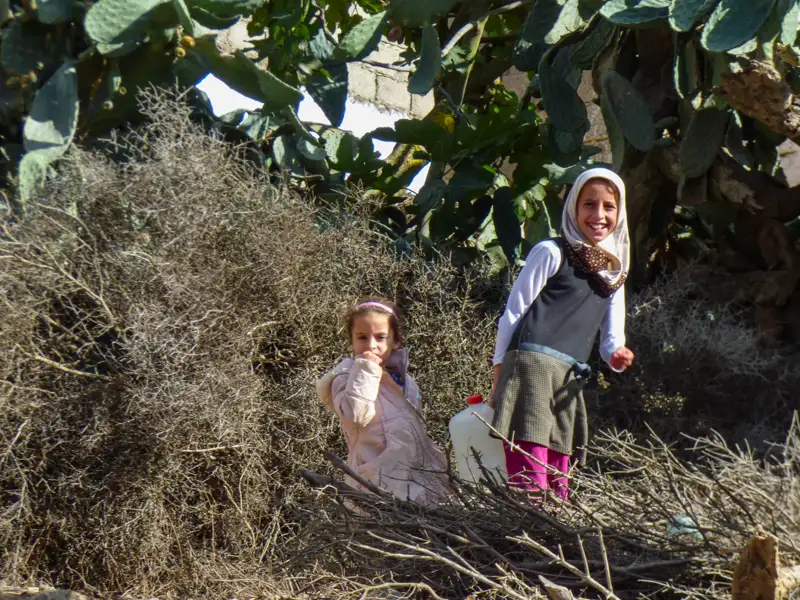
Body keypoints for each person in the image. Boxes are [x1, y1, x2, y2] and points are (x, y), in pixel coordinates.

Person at [489, 167, 635, 501]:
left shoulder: (613, 274)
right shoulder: (552, 252)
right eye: (589, 204)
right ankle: (528, 532)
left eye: (608, 206)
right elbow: (513, 313)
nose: (598, 215)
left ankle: (552, 537)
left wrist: (617, 355)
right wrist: (499, 370)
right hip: (530, 366)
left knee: (559, 467)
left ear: (620, 211)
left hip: (569, 377)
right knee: (531, 466)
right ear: (573, 207)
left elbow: (612, 336)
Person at [317, 298, 452, 506]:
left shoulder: (405, 380)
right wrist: (366, 368)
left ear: (396, 340)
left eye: (380, 337)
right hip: (376, 485)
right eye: (362, 337)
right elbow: (356, 415)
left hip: (418, 481)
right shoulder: (344, 378)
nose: (371, 345)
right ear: (351, 341)